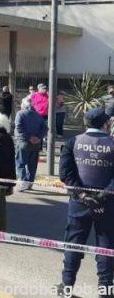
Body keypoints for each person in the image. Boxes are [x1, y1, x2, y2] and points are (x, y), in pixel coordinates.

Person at [57, 108, 114, 295]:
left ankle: (66, 288)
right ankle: (105, 290)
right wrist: (101, 196)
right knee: (106, 247)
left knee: (74, 244)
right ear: (106, 124)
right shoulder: (112, 143)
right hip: (107, 204)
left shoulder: (73, 142)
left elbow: (66, 174)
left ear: (86, 123)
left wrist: (82, 195)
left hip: (79, 203)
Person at [14, 97, 48, 192]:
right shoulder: (38, 115)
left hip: (23, 142)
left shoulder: (20, 114)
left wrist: (29, 138)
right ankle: (29, 183)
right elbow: (45, 128)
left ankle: (23, 182)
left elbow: (19, 127)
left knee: (20, 163)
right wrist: (38, 137)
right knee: (32, 165)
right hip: (36, 143)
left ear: (23, 105)